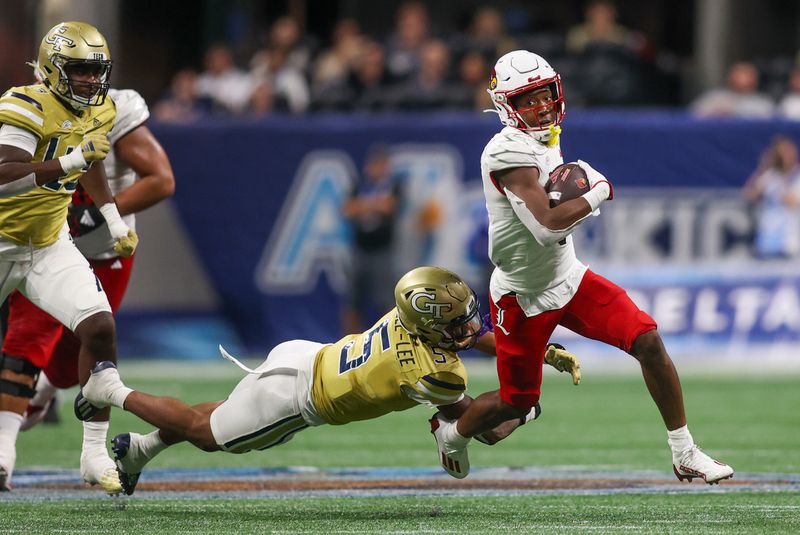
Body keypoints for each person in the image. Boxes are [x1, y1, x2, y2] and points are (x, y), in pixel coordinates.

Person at [428, 50, 734, 485]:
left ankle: (684, 452)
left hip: (568, 278)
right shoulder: (507, 152)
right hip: (522, 295)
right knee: (516, 403)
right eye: (528, 99)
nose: (542, 105)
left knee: (647, 339)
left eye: (545, 94)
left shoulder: (542, 137)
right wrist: (597, 192)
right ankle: (452, 432)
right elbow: (547, 228)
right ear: (505, 106)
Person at [74, 266, 581, 494]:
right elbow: (477, 422)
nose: (472, 329)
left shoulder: (411, 315)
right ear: (432, 327)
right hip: (299, 397)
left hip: (306, 355)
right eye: (457, 323)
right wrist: (526, 400)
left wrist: (530, 353)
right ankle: (109, 389)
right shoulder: (434, 372)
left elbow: (469, 341)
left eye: (469, 315)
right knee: (205, 434)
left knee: (225, 411)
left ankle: (138, 450)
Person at [0, 21, 136, 493]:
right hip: (0, 237)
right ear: (54, 69)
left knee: (99, 328)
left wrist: (114, 221)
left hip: (47, 242)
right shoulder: (25, 102)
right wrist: (70, 162)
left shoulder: (100, 108)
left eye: (97, 71)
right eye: (80, 71)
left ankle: (93, 454)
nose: (91, 81)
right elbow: (5, 172)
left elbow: (93, 159)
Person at [10, 87, 175, 434]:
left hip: (99, 249)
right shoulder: (27, 108)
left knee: (76, 358)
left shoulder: (112, 111)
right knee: (26, 338)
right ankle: (5, 450)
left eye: (89, 70)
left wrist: (104, 217)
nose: (82, 81)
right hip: (39, 242)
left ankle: (43, 391)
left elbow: (161, 179)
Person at [341, 145, 402, 334]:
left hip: (382, 251)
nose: (376, 169)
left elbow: (389, 207)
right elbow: (347, 209)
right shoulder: (360, 185)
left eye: (380, 165)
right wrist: (374, 204)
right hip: (360, 250)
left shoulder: (394, 186)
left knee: (386, 300)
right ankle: (348, 343)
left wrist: (363, 206)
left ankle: (388, 340)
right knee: (353, 300)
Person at [742, 135, 800, 258]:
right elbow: (750, 194)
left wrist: (782, 178)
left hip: (789, 243)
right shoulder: (770, 176)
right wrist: (763, 168)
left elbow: (792, 202)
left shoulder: (797, 177)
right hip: (766, 242)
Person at [691, 62, 775, 118]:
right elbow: (694, 116)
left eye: (747, 75)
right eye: (739, 75)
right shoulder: (715, 97)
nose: (742, 79)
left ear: (755, 80)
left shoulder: (763, 103)